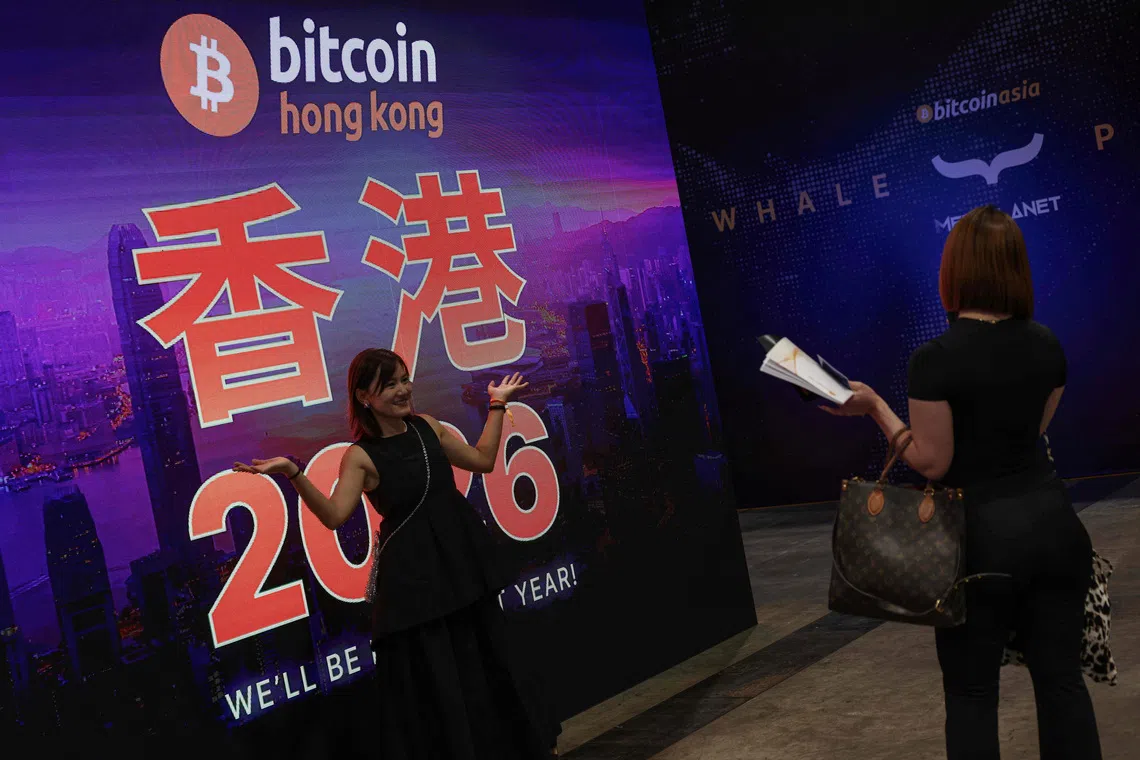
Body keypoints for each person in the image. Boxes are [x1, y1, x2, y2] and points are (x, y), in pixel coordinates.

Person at [823, 206, 1101, 760]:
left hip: (979, 547)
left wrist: (875, 406)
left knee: (972, 695)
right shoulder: (1048, 344)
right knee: (1063, 686)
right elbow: (1033, 433)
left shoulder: (935, 359)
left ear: (954, 272)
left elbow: (933, 463)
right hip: (1056, 531)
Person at [234, 348, 561, 759]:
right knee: (442, 680)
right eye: (389, 384)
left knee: (488, 660)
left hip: (462, 563)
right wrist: (293, 472)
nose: (403, 390)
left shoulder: (429, 427)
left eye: (404, 379)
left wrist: (496, 404)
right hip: (415, 583)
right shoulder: (360, 456)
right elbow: (335, 515)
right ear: (363, 397)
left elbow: (482, 460)